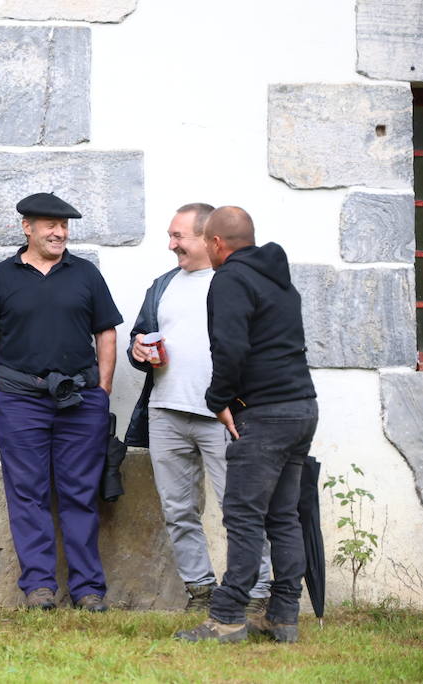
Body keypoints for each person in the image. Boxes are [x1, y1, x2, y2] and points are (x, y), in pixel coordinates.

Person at [0, 192, 121, 612]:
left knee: (80, 493)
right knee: (28, 494)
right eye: (50, 225)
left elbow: (106, 332)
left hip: (80, 400)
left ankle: (88, 589)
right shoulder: (1, 277)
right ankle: (38, 587)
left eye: (65, 226)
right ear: (27, 228)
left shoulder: (85, 274)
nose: (59, 232)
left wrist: (102, 390)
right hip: (19, 400)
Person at [176, 206, 319, 644]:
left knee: (243, 516)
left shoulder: (231, 279)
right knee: (283, 517)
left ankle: (226, 618)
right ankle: (283, 616)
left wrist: (218, 400)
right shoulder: (280, 280)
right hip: (301, 408)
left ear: (217, 243)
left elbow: (230, 349)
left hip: (265, 414)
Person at [126, 203, 273, 614]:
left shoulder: (239, 282)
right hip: (165, 412)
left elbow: (265, 348)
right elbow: (141, 336)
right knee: (178, 510)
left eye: (178, 237)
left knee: (240, 509)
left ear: (210, 238)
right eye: (171, 236)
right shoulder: (162, 285)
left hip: (225, 416)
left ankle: (257, 594)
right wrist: (138, 349)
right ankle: (201, 591)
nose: (171, 245)